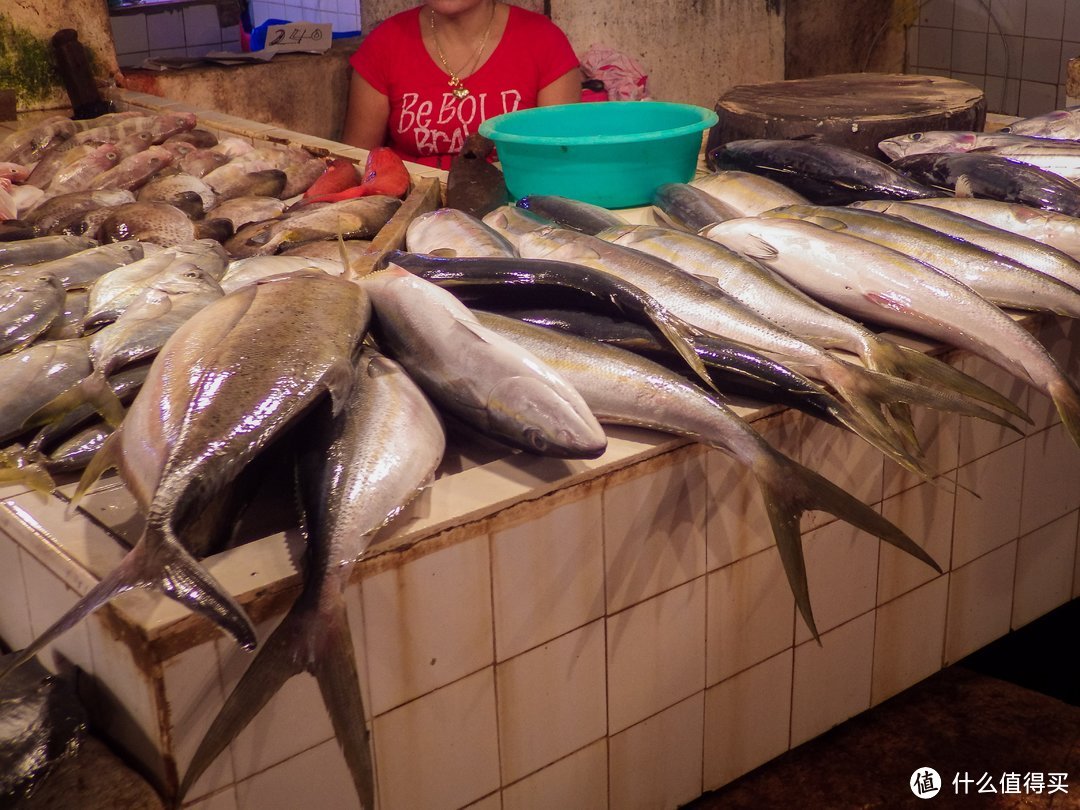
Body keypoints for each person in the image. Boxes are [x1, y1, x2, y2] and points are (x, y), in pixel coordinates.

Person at [341, 0, 581, 170]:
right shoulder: (384, 44)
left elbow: (557, 167)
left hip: (513, 215)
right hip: (409, 211)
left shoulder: (545, 42)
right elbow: (354, 164)